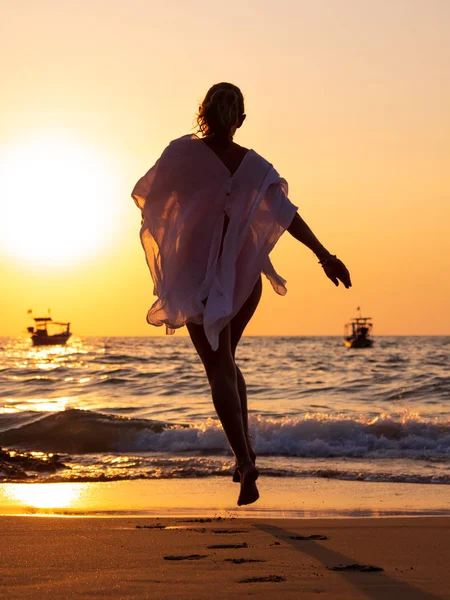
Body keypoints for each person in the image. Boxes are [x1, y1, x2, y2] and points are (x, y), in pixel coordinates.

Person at [132, 82, 351, 506]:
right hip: (243, 281)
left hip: (198, 281)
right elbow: (288, 217)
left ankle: (245, 461)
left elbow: (149, 198)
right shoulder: (256, 168)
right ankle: (245, 453)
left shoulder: (181, 154)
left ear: (202, 113)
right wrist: (325, 256)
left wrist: (184, 228)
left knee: (217, 366)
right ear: (241, 119)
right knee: (227, 360)